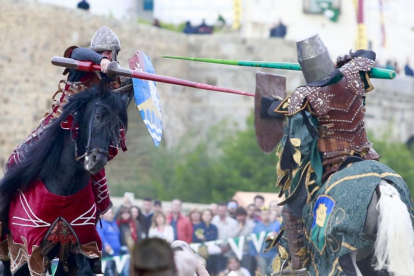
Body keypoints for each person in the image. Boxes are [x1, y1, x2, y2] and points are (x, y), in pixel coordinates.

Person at [260, 34, 382, 271]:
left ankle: (299, 264)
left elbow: (296, 136)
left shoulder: (305, 95)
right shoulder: (354, 77)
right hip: (366, 156)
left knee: (292, 209)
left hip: (333, 162)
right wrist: (346, 61)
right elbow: (368, 55)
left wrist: (268, 107)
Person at [250, 207, 280, 275]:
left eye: (267, 214)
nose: (265, 216)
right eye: (263, 214)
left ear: (270, 214)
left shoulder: (275, 225)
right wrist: (255, 255)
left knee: (274, 272)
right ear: (260, 215)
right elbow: (252, 242)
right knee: (263, 272)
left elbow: (279, 238)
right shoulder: (256, 227)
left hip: (273, 253)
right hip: (261, 255)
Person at [212, 202, 238, 272]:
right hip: (216, 251)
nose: (221, 213)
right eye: (220, 211)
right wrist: (219, 248)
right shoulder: (213, 220)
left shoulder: (233, 222)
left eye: (223, 211)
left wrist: (227, 248)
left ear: (226, 211)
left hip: (229, 252)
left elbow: (235, 237)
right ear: (217, 211)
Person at [97, 208, 121, 276]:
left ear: (113, 215)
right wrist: (106, 245)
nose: (107, 215)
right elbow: (100, 236)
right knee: (108, 272)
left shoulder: (114, 224)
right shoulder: (101, 224)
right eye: (106, 213)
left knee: (116, 272)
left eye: (109, 213)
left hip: (117, 254)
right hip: (107, 253)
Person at [234, 207, 256, 275]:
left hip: (247, 252)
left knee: (247, 270)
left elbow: (252, 238)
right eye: (238, 216)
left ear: (245, 215)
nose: (240, 218)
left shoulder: (251, 225)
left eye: (242, 215)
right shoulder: (234, 224)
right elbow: (231, 237)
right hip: (236, 252)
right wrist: (239, 229)